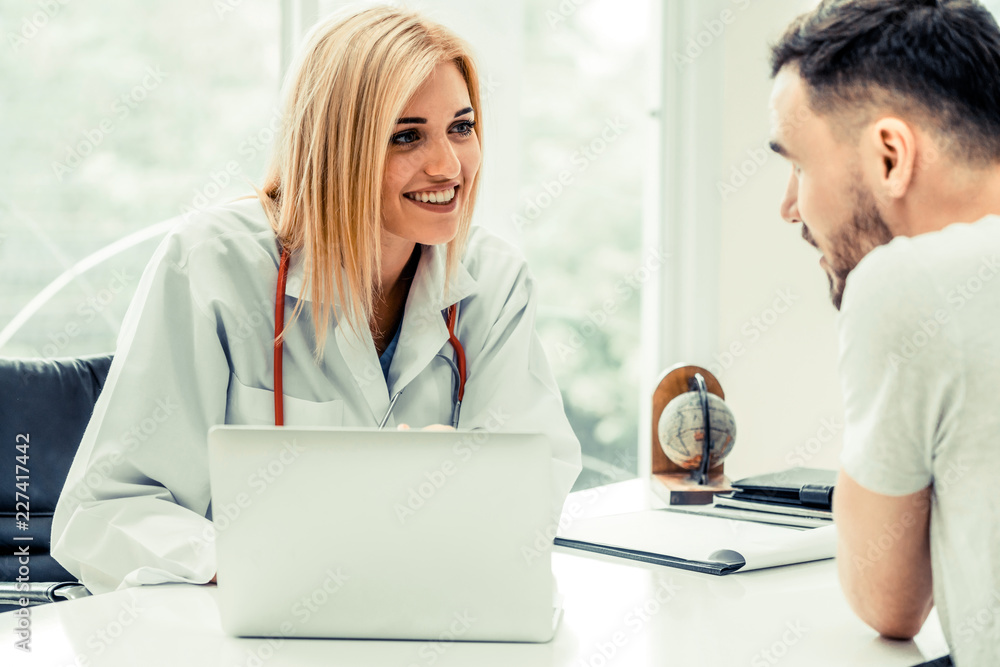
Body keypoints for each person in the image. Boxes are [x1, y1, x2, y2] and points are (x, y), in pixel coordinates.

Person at [51, 6, 582, 594]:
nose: (448, 165)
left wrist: (462, 487)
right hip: (243, 630)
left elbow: (529, 489)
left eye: (461, 126)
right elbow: (103, 513)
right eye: (407, 136)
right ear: (335, 147)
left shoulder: (495, 279)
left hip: (422, 619)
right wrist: (269, 560)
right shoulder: (211, 263)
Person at [768, 0, 1000, 662]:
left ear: (891, 155)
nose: (788, 207)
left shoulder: (910, 282)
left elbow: (887, 601)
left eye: (799, 166)